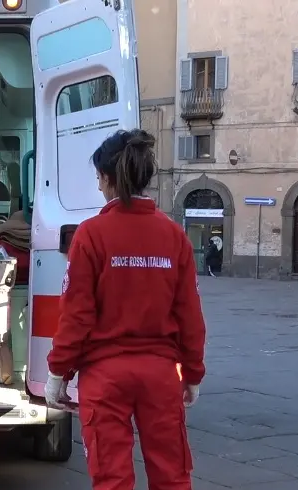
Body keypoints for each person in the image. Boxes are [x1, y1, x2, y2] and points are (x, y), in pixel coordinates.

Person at [43, 129, 207, 490]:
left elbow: (77, 316)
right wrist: (192, 371)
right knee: (172, 476)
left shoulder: (91, 235)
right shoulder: (174, 236)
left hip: (105, 377)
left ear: (107, 178)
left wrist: (58, 373)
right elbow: (190, 314)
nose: (99, 188)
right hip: (161, 375)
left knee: (112, 479)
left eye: (99, 180)